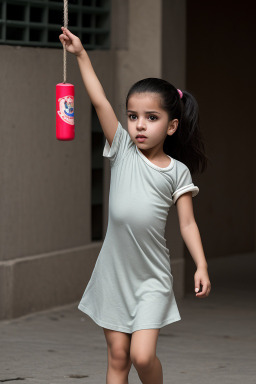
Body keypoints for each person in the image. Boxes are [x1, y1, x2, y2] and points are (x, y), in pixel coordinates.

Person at [59, 26, 211, 384]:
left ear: (172, 126)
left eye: (151, 118)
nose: (139, 125)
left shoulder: (178, 171)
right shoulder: (123, 150)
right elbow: (99, 101)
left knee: (143, 357)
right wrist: (81, 54)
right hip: (112, 275)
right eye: (133, 116)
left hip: (151, 279)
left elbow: (187, 224)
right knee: (117, 357)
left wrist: (201, 265)